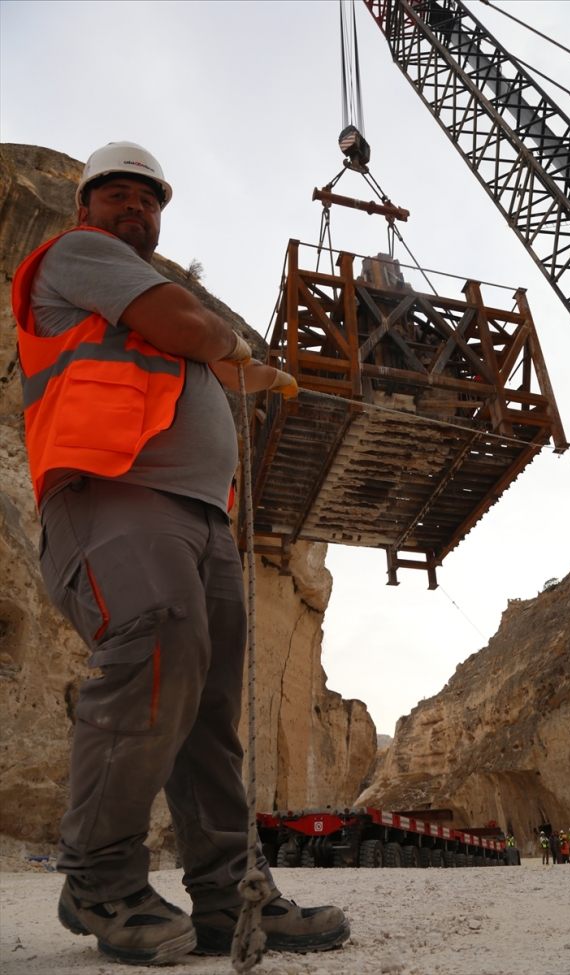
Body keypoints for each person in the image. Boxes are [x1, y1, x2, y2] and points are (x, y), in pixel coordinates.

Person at [12, 142, 349, 966]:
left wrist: (259, 375)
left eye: (149, 200)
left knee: (206, 713)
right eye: (118, 195)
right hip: (112, 498)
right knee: (156, 640)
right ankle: (97, 876)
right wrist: (242, 355)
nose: (136, 210)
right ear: (86, 205)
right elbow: (194, 326)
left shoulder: (134, 291)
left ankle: (230, 894)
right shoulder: (82, 255)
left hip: (201, 518)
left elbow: (197, 350)